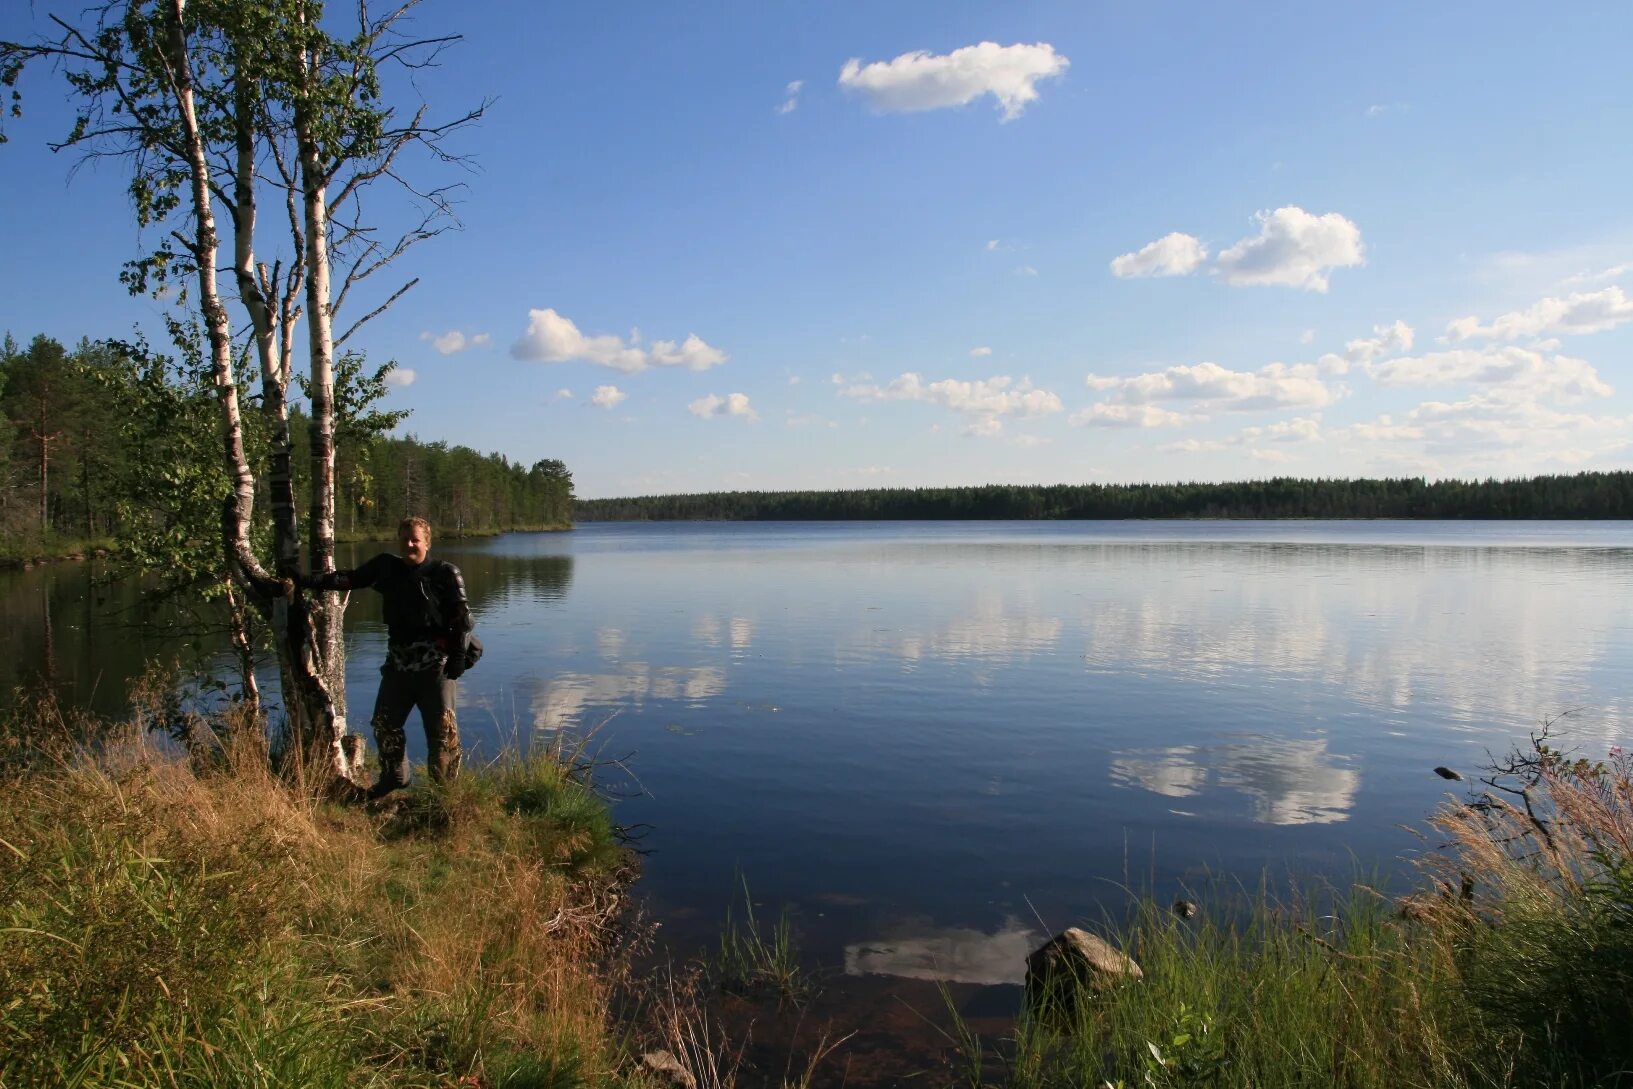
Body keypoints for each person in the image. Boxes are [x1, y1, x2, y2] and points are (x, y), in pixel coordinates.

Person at [298, 516, 474, 797]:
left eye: (415, 539)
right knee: (384, 723)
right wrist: (306, 580)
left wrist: (457, 658)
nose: (409, 544)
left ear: (427, 542)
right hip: (398, 666)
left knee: (441, 733)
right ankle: (394, 778)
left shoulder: (445, 573)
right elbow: (349, 579)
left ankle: (444, 795)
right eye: (405, 538)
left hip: (435, 668)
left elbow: (464, 619)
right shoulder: (386, 567)